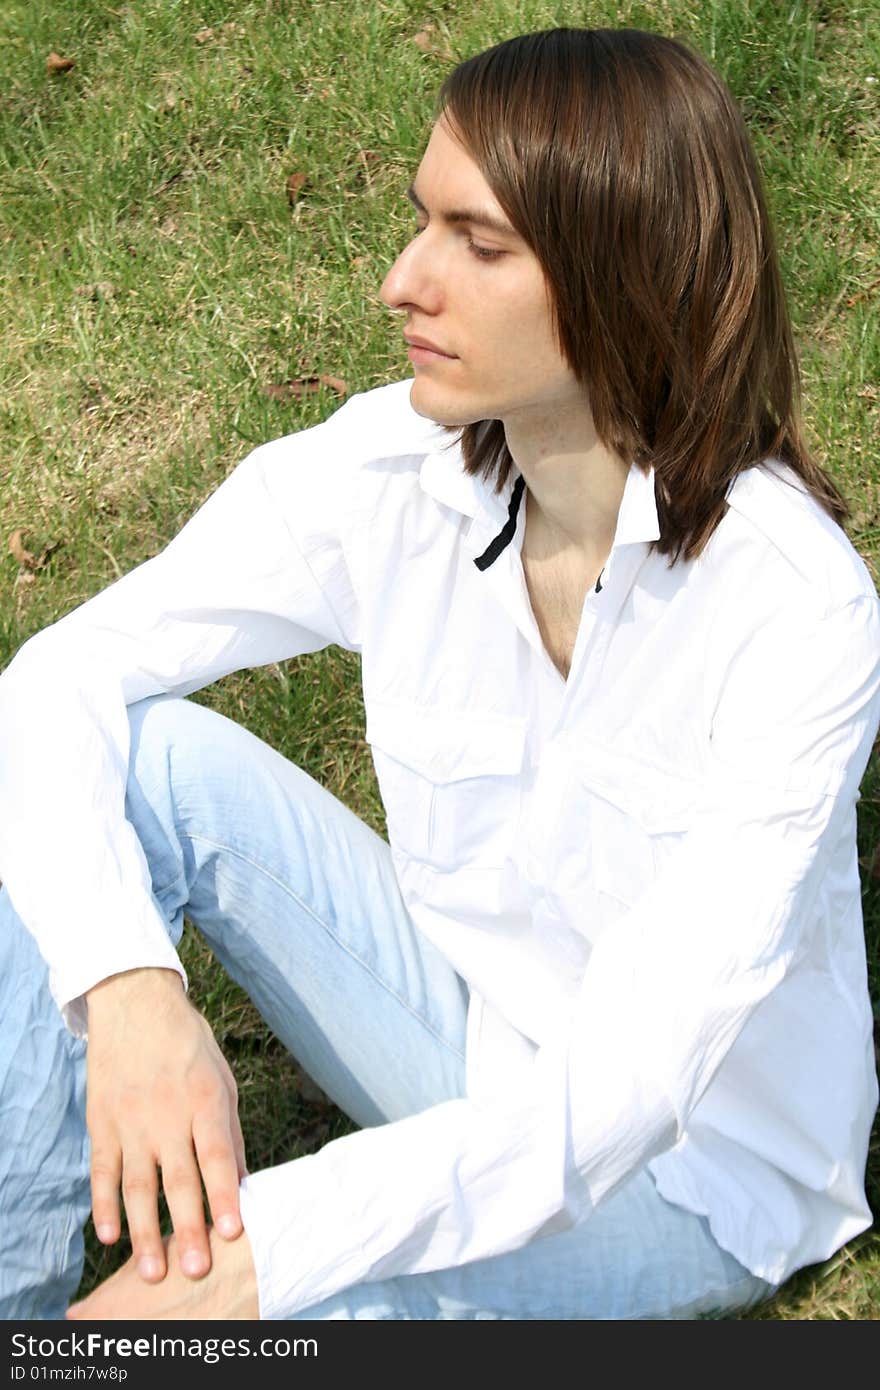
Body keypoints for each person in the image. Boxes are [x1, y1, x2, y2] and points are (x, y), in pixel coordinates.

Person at [1, 26, 878, 1323]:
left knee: (304, 1320)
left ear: (624, 271)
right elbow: (58, 673)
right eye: (424, 224)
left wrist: (264, 1258)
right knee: (126, 760)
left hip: (687, 1173)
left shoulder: (794, 615)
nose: (403, 282)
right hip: (466, 1032)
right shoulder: (393, 474)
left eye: (478, 244)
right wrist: (125, 985)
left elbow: (619, 1095)